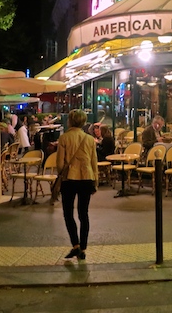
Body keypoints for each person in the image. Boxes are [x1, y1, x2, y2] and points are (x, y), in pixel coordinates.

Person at [56, 109, 98, 261]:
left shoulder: (64, 138)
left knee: (68, 213)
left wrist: (61, 173)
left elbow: (60, 163)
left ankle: (75, 245)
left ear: (70, 121)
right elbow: (94, 161)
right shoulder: (89, 139)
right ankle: (84, 247)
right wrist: (95, 180)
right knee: (83, 213)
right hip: (87, 178)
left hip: (70, 178)